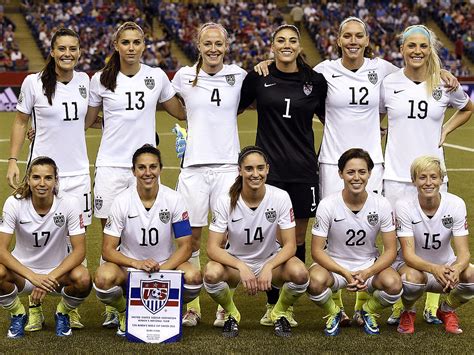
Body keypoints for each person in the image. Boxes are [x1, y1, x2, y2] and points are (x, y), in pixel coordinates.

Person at [85, 21, 185, 327]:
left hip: (144, 168)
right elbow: (86, 119)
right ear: (116, 45)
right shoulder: (100, 79)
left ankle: (144, 295)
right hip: (111, 167)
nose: (131, 47)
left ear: (144, 46)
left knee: (148, 225)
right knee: (110, 237)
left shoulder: (156, 77)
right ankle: (113, 306)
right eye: (125, 42)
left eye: (136, 42)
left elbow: (180, 111)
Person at [380, 24, 473, 324]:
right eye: (411, 46)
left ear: (430, 48)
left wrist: (445, 128)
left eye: (422, 46)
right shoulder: (389, 82)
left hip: (434, 176)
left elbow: (467, 107)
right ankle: (402, 304)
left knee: (437, 241)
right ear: (402, 49)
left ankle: (434, 303)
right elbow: (374, 114)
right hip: (395, 176)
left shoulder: (444, 82)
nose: (417, 51)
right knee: (396, 245)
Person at [239, 24, 327, 327]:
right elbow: (229, 111)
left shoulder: (315, 81)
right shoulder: (258, 77)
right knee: (274, 239)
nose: (286, 45)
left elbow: (334, 118)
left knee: (297, 238)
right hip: (268, 173)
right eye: (280, 40)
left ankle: (287, 305)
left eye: (292, 40)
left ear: (299, 45)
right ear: (272, 45)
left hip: (303, 170)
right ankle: (272, 302)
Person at [6, 27, 91, 330]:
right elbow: (20, 120)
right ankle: (33, 304)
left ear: (79, 51)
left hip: (78, 174)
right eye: (62, 49)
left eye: (73, 48)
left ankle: (70, 308)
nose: (68, 54)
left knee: (75, 241)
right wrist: (14, 160)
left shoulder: (85, 82)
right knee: (32, 232)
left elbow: (89, 118)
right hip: (43, 172)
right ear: (52, 52)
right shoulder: (33, 83)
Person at [171, 22, 247, 327]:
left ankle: (224, 306)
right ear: (198, 46)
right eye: (207, 43)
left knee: (226, 240)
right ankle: (193, 307)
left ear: (226, 46)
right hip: (193, 169)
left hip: (228, 168)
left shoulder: (239, 76)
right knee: (189, 240)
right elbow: (168, 104)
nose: (213, 48)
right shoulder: (183, 76)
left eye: (219, 43)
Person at [93, 145, 202, 336]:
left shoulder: (174, 199)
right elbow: (108, 250)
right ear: (134, 171)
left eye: (153, 167)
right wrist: (137, 264)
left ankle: (169, 308)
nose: (147, 172)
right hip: (130, 269)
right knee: (103, 279)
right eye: (142, 167)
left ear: (161, 169)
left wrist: (163, 271)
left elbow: (186, 246)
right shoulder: (121, 201)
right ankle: (124, 312)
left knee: (193, 278)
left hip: (164, 267)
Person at [203, 146, 309, 338]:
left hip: (270, 262)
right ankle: (231, 313)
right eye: (249, 169)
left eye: (260, 168)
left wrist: (269, 265)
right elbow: (212, 248)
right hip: (236, 266)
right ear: (240, 170)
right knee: (211, 274)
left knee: (301, 273)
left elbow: (290, 245)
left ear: (267, 169)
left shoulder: (280, 197)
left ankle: (279, 311)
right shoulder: (224, 200)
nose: (255, 174)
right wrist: (240, 266)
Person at [308, 148, 402, 336]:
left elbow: (391, 251)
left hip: (368, 264)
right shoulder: (327, 204)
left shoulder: (381, 204)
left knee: (394, 284)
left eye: (362, 172)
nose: (356, 177)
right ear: (341, 173)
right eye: (350, 172)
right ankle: (335, 312)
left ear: (369, 174)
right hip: (335, 264)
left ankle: (366, 310)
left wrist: (368, 272)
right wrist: (343, 272)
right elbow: (316, 251)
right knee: (313, 282)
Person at [0, 156, 91, 338]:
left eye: (48, 178)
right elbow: (1, 250)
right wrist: (33, 277)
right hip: (23, 274)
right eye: (36, 178)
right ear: (28, 179)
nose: (42, 183)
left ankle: (63, 312)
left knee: (83, 279)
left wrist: (49, 277)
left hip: (57, 274)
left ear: (56, 181)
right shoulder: (14, 203)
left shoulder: (70, 203)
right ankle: (18, 313)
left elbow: (79, 251)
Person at [395, 156, 473, 335]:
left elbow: (464, 253)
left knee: (472, 276)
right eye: (422, 177)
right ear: (414, 180)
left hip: (445, 266)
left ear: (442, 179)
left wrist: (457, 268)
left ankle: (446, 309)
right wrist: (434, 269)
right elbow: (408, 255)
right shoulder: (404, 206)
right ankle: (408, 311)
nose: (428, 182)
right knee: (412, 279)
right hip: (415, 267)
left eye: (433, 177)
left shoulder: (456, 204)